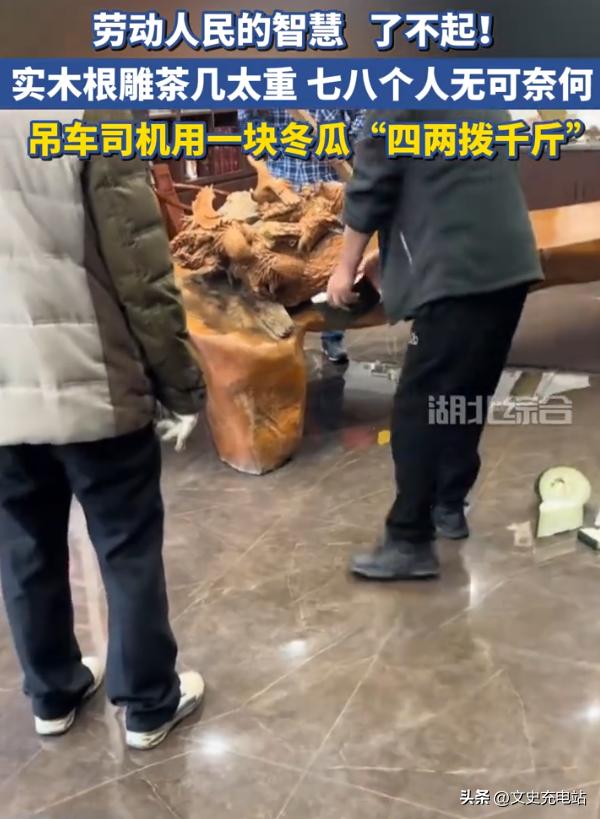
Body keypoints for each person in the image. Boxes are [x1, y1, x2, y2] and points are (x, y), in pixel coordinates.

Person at [0, 109, 206, 749]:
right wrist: (180, 384)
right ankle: (148, 703)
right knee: (126, 546)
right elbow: (141, 270)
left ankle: (53, 692)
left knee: (24, 547)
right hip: (95, 380)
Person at [327, 109, 543, 580]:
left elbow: (370, 187)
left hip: (457, 274)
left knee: (418, 408)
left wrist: (344, 269)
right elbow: (456, 177)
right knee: (466, 394)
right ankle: (449, 503)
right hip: (508, 263)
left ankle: (409, 538)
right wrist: (398, 251)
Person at [238, 108, 366, 364]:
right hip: (282, 189)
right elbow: (246, 122)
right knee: (279, 269)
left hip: (327, 188)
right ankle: (281, 341)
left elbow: (362, 115)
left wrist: (347, 144)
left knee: (331, 266)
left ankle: (333, 336)